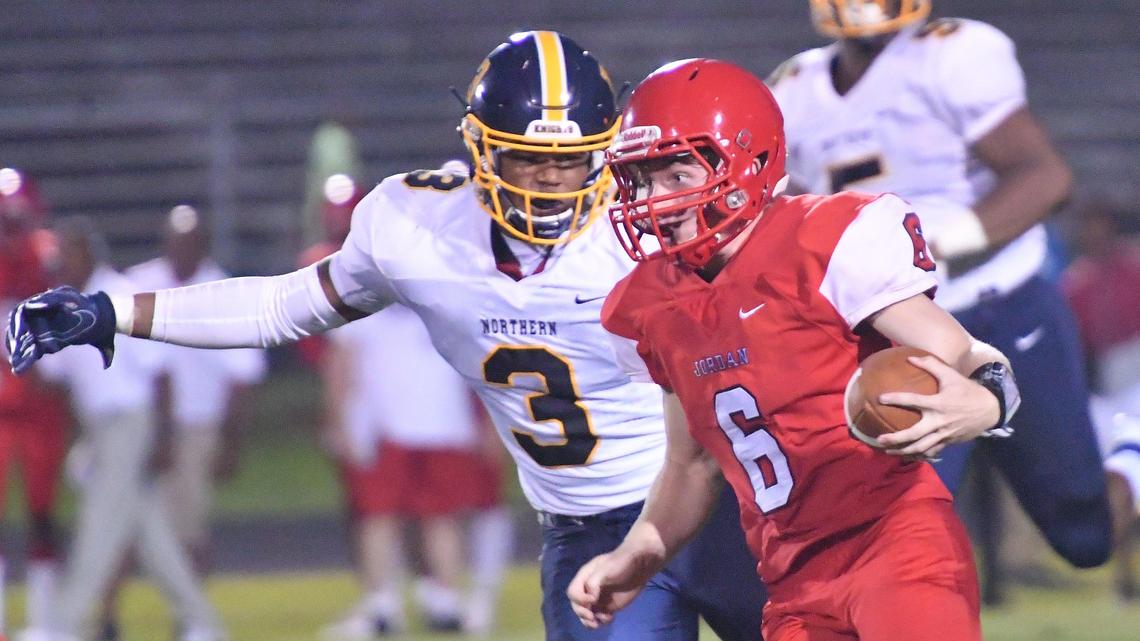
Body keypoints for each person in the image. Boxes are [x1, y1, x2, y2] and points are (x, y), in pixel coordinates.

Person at [6, 32, 766, 641]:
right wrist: (115, 312)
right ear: (479, 149)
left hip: (727, 505)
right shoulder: (415, 226)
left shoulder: (653, 226)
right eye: (526, 161)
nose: (548, 185)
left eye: (568, 165)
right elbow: (283, 305)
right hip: (588, 528)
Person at [567, 58, 1020, 641]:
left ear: (752, 163)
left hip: (897, 543)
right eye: (642, 179)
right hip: (791, 582)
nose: (657, 199)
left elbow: (964, 352)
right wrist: (639, 555)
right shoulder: (649, 304)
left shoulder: (823, 241)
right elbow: (691, 463)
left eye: (679, 174)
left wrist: (987, 403)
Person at [767, 0, 1112, 572]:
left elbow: (1045, 176)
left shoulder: (952, 53)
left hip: (1000, 303)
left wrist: (934, 247)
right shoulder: (793, 88)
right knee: (900, 529)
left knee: (1082, 536)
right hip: (897, 332)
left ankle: (1125, 454)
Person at [29, 218, 223, 641]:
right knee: (151, 534)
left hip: (130, 421)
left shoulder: (116, 297)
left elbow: (161, 373)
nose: (63, 259)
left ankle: (62, 625)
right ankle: (202, 622)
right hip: (99, 427)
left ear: (91, 254)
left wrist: (165, 436)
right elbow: (53, 378)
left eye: (72, 251)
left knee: (99, 523)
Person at [317, 303, 510, 638]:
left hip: (436, 426)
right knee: (389, 518)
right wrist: (339, 423)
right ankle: (389, 604)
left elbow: (484, 365)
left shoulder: (443, 307)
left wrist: (491, 424)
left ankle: (437, 601)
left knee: (426, 519)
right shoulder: (369, 310)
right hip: (388, 427)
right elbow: (341, 369)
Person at [1061, 198, 1140, 600]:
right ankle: (1123, 577)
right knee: (1118, 484)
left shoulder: (1135, 268)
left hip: (1135, 381)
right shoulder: (1077, 283)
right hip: (1105, 391)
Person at [0, 167, 67, 641]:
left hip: (41, 406)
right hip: (2, 406)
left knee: (43, 513)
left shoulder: (47, 255)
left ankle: (45, 621)